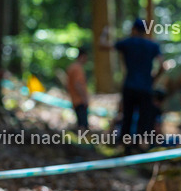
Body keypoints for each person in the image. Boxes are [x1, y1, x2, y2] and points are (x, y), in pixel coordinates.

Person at [101, 19, 163, 152]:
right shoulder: (152, 46)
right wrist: (153, 79)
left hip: (129, 86)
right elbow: (163, 65)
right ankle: (140, 146)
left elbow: (103, 45)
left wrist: (104, 33)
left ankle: (126, 146)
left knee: (127, 116)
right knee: (144, 117)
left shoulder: (128, 43)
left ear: (134, 29)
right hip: (146, 88)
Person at [66, 47, 90, 130]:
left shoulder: (72, 67)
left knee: (80, 122)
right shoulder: (77, 68)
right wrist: (84, 98)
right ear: (82, 56)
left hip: (75, 99)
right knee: (83, 124)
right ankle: (82, 141)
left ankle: (81, 139)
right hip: (79, 100)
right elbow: (78, 84)